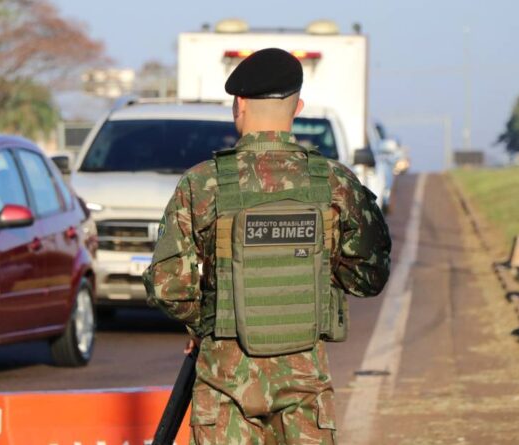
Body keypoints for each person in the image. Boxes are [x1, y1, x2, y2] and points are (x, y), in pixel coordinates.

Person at [143, 48, 391, 444]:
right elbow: (369, 277)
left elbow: (168, 286)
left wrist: (204, 321)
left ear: (238, 105)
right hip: (303, 383)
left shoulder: (201, 184)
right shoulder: (336, 183)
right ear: (299, 107)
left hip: (224, 382)